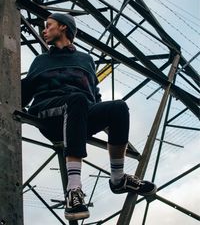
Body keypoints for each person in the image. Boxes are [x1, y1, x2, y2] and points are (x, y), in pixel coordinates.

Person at [21, 13, 157, 221]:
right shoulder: (40, 61)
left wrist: (111, 124)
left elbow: (94, 96)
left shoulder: (86, 60)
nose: (44, 30)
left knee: (118, 108)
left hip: (79, 113)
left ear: (64, 27)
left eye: (49, 26)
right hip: (49, 116)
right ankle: (74, 190)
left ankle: (118, 179)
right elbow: (22, 95)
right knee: (76, 100)